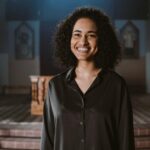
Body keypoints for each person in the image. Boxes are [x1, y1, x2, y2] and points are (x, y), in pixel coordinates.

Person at [40, 7, 135, 150]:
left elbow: (125, 140)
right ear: (68, 39)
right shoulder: (55, 86)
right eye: (77, 34)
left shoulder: (117, 85)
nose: (83, 42)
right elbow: (47, 141)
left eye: (91, 35)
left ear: (101, 40)